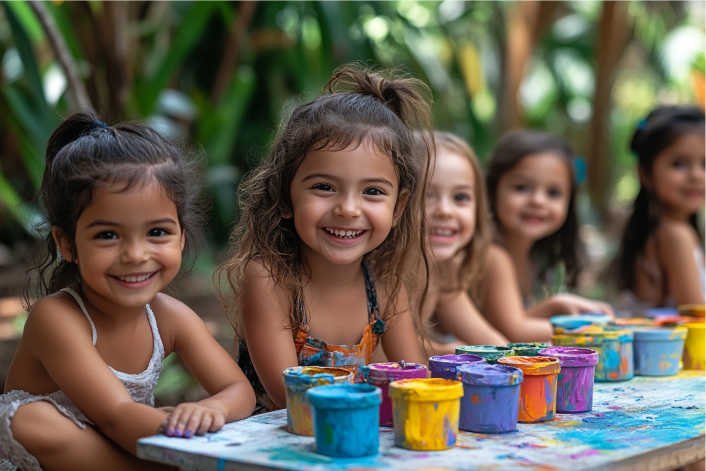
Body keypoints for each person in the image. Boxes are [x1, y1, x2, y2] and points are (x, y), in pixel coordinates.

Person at [0, 113, 255, 471]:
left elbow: (238, 390)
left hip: (125, 444)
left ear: (181, 237)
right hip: (62, 455)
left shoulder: (171, 317)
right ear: (67, 244)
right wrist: (172, 427)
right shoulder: (56, 318)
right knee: (32, 420)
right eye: (108, 235)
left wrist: (212, 409)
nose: (136, 254)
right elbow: (117, 416)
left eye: (157, 233)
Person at [219, 64, 430, 410]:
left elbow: (415, 385)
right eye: (324, 187)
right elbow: (291, 395)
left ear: (398, 206)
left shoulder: (386, 287)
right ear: (285, 197)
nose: (348, 209)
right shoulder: (272, 280)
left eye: (373, 192)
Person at [480, 130, 612, 341]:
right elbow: (514, 332)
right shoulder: (492, 256)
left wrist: (556, 304)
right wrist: (599, 331)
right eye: (521, 188)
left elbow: (511, 323)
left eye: (553, 193)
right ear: (492, 190)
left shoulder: (535, 257)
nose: (538, 201)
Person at [421, 131, 508, 354]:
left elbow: (495, 345)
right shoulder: (385, 276)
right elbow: (382, 354)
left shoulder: (444, 272)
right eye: (426, 196)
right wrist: (441, 351)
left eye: (460, 198)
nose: (444, 210)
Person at [616, 105, 705, 309]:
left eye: (705, 164)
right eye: (679, 164)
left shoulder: (660, 230)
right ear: (645, 173)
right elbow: (697, 314)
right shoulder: (675, 234)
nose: (697, 175)